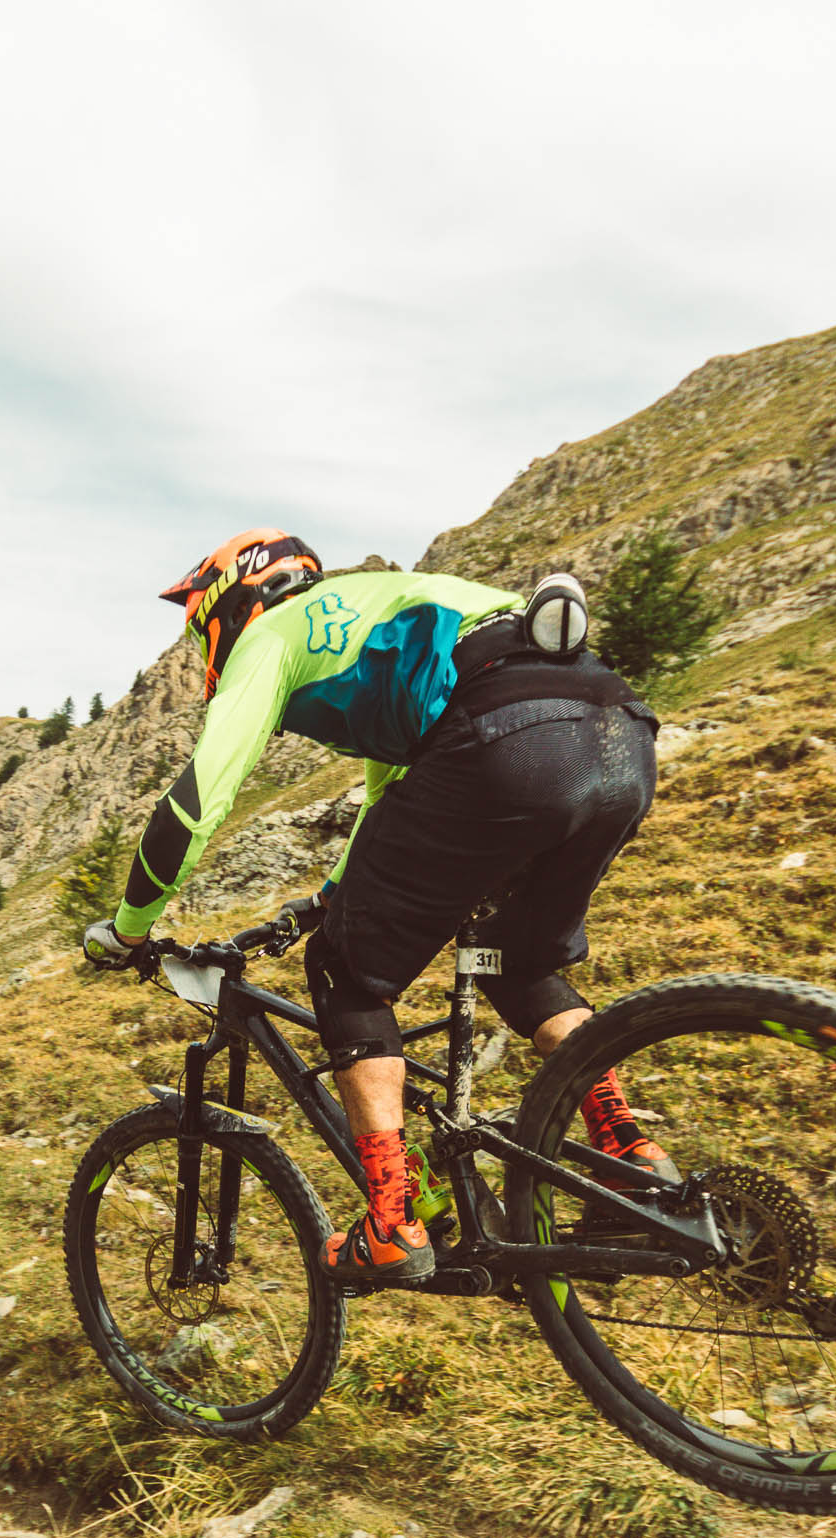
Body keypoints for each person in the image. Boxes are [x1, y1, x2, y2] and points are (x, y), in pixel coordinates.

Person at [82, 529, 669, 1285]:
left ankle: (392, 1222)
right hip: (621, 736)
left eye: (202, 627)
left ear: (232, 604)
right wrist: (332, 895)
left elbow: (197, 803)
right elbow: (387, 794)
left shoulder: (272, 636)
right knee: (518, 962)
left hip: (506, 739)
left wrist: (129, 929)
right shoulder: (376, 611)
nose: (205, 647)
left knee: (345, 971)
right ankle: (628, 1154)